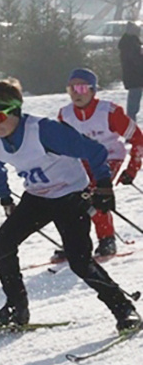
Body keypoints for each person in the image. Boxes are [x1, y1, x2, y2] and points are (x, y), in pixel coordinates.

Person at [0, 79, 140, 333]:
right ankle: (16, 308)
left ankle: (124, 309)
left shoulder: (44, 131)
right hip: (37, 198)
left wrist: (103, 186)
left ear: (15, 112)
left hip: (70, 196)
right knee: (3, 241)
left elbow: (95, 151)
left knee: (79, 261)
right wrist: (5, 199)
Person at [55, 67, 143, 258]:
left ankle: (107, 239)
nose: (75, 94)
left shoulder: (109, 111)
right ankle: (74, 241)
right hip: (82, 161)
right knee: (68, 196)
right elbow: (60, 144)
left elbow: (138, 139)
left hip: (109, 157)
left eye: (80, 88)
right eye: (71, 89)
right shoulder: (65, 115)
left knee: (95, 192)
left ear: (93, 90)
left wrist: (132, 169)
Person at [118, 23, 143, 122]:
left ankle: (131, 129)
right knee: (132, 107)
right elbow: (136, 61)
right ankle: (131, 130)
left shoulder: (128, 43)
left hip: (134, 78)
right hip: (135, 78)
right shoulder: (130, 44)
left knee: (133, 106)